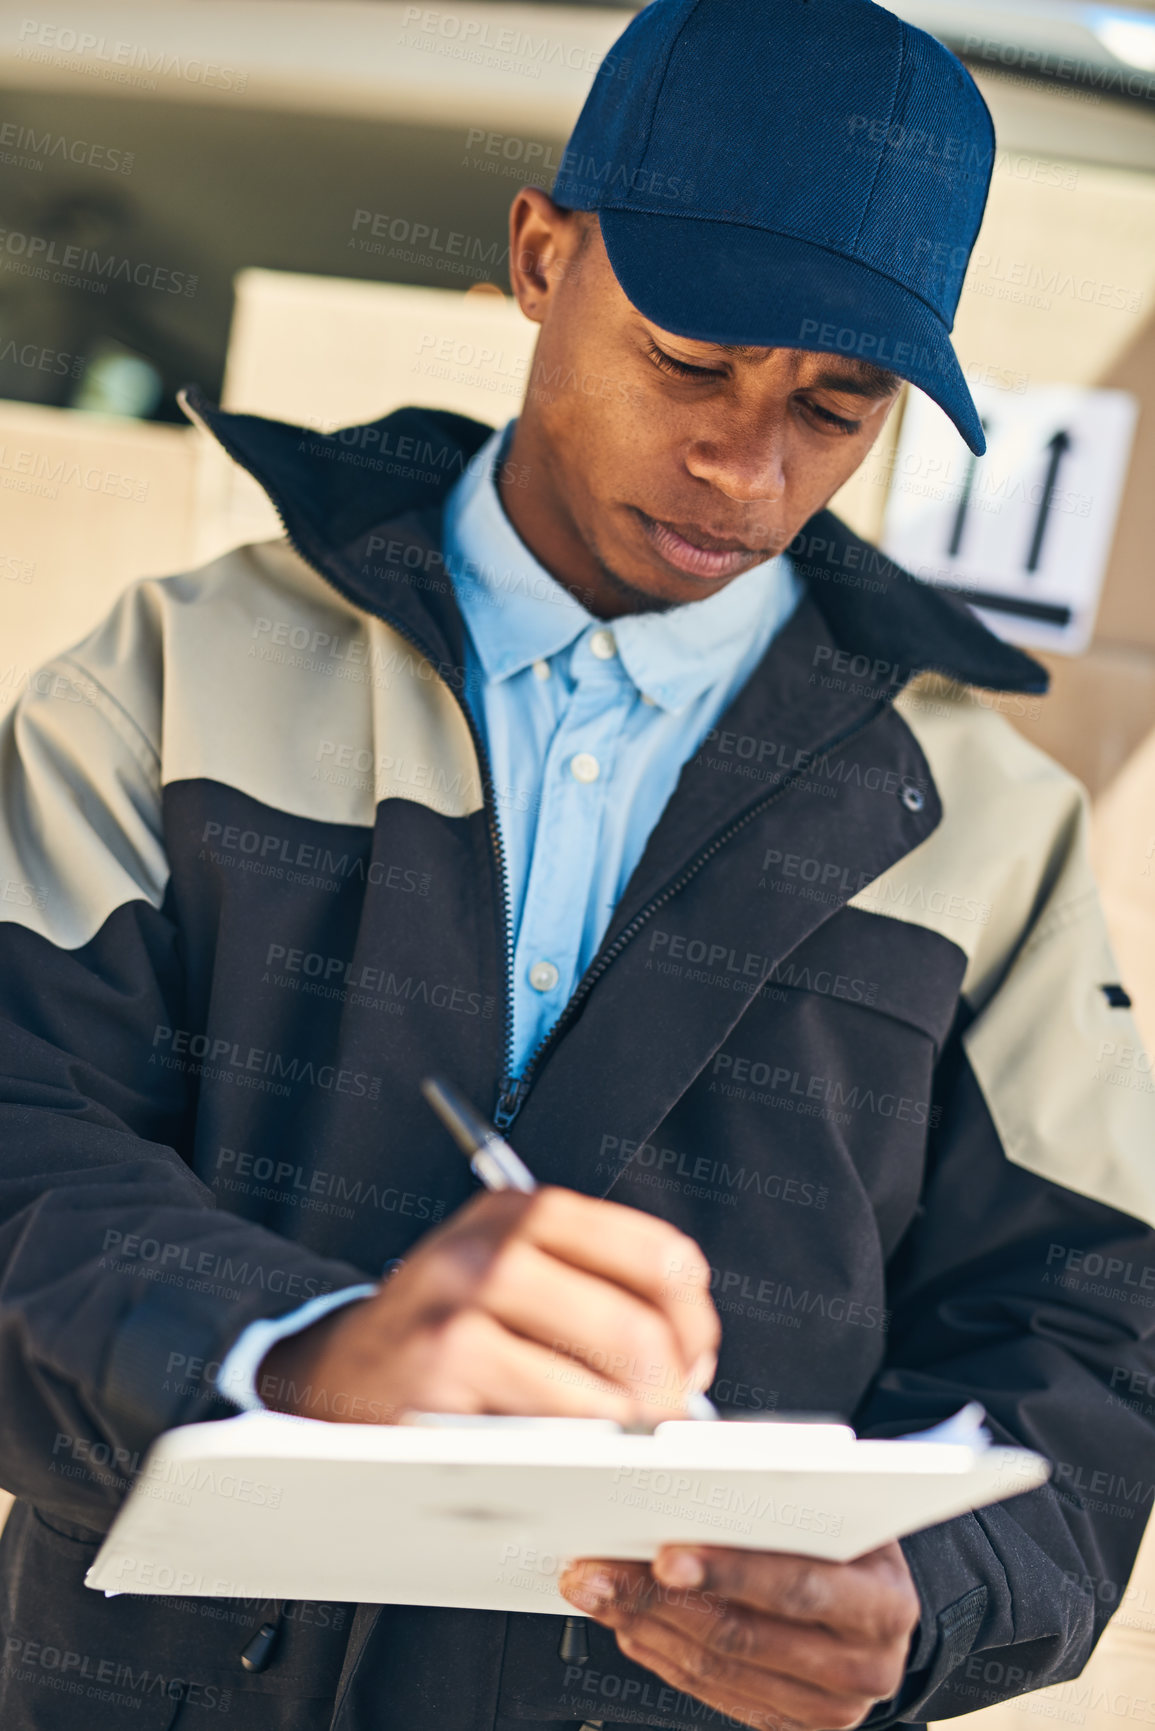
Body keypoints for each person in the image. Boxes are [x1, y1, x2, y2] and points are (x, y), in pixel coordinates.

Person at [0, 0, 1152, 1728]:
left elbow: (1085, 1338)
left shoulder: (986, 823)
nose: (747, 468)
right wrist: (292, 1360)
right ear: (541, 255)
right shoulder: (178, 676)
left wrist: (930, 1603)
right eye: (690, 362)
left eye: (837, 409)